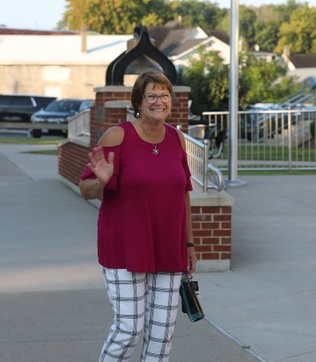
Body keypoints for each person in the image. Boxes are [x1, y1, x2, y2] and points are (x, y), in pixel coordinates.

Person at [79, 70, 197, 362]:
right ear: (139, 102)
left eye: (165, 95)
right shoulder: (118, 136)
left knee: (161, 333)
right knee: (129, 328)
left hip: (169, 249)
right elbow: (85, 189)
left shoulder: (176, 139)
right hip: (125, 248)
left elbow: (183, 194)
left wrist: (189, 245)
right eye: (152, 95)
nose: (160, 101)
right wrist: (101, 182)